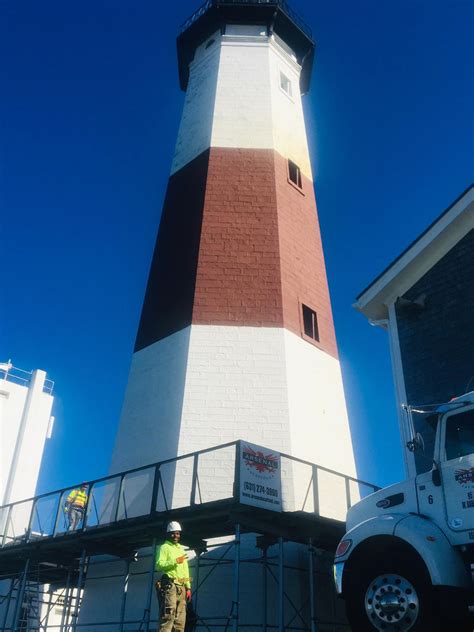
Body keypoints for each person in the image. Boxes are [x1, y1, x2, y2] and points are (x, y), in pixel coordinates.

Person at [155, 521, 191, 632]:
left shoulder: (181, 549)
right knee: (168, 616)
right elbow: (158, 565)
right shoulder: (164, 547)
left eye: (178, 533)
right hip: (170, 585)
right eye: (173, 533)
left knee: (180, 621)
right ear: (168, 534)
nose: (176, 536)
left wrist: (188, 587)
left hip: (182, 586)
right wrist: (175, 561)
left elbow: (185, 569)